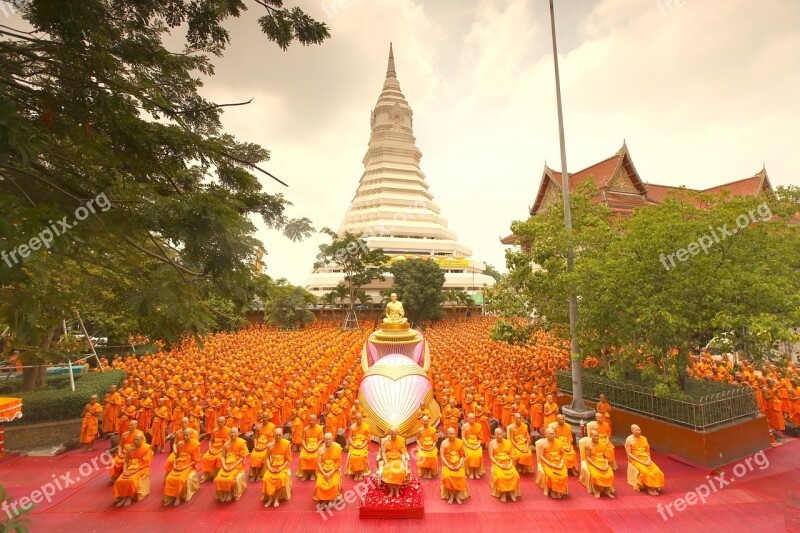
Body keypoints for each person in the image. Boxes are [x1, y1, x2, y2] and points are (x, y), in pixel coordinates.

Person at [113, 432, 153, 507]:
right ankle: (123, 497)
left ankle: (129, 497)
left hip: (141, 468)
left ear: (142, 440)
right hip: (130, 467)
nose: (135, 441)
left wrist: (134, 472)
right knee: (119, 480)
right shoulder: (130, 448)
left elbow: (146, 463)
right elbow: (126, 462)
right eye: (134, 440)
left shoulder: (146, 448)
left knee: (131, 480)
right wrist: (124, 470)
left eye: (137, 440)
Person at [163, 428, 201, 507]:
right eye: (184, 435)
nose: (185, 436)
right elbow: (176, 457)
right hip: (179, 464)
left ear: (191, 435)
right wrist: (174, 465)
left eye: (187, 435)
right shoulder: (180, 443)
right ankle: (170, 497)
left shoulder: (195, 444)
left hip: (189, 465)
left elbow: (196, 460)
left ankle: (177, 497)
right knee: (169, 478)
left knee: (180, 479)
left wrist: (185, 467)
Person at [625, 424, 665, 496]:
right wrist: (640, 461)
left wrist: (649, 459)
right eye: (637, 430)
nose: (639, 431)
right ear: (632, 431)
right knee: (645, 472)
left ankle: (656, 485)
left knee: (657, 471)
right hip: (635, 460)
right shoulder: (629, 440)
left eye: (639, 430)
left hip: (646, 458)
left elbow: (647, 450)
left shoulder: (644, 438)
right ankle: (649, 487)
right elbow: (629, 453)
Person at [215, 426, 249, 502]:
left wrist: (233, 466)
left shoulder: (241, 443)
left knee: (229, 478)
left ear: (238, 433)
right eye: (231, 432)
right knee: (219, 478)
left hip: (236, 465)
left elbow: (242, 457)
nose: (233, 434)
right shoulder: (226, 444)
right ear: (229, 434)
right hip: (226, 465)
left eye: (234, 432)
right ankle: (224, 493)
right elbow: (223, 456)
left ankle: (229, 492)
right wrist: (224, 465)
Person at [262, 428, 292, 508]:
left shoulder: (286, 444)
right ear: (273, 435)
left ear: (282, 435)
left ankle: (276, 499)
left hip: (283, 466)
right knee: (265, 479)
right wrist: (269, 467)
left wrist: (281, 468)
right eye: (276, 435)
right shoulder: (269, 445)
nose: (278, 436)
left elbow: (288, 460)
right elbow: (267, 458)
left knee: (280, 479)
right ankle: (270, 498)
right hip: (272, 466)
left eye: (280, 435)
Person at [488, 427, 520, 503]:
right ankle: (503, 493)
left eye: (501, 434)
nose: (499, 436)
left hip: (507, 462)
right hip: (497, 463)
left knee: (515, 475)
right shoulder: (492, 443)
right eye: (498, 434)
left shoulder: (508, 442)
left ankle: (511, 492)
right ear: (495, 435)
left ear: (503, 434)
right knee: (500, 477)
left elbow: (512, 455)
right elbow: (491, 456)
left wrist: (510, 464)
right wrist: (499, 465)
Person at [535, 427, 568, 499]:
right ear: (546, 435)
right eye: (550, 434)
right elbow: (541, 456)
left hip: (558, 462)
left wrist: (561, 464)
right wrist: (550, 464)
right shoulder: (542, 443)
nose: (552, 435)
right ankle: (553, 490)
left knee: (564, 475)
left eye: (553, 434)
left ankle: (559, 490)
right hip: (547, 463)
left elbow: (562, 454)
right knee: (552, 476)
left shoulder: (558, 442)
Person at [581, 429, 615, 499]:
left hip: (602, 461)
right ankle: (597, 490)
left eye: (597, 436)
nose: (596, 438)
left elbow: (605, 456)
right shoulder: (588, 445)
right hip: (592, 462)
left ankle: (607, 490)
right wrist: (596, 466)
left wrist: (606, 465)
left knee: (610, 474)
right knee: (596, 475)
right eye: (595, 436)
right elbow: (588, 458)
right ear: (591, 436)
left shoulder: (602, 444)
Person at [440, 427, 469, 505]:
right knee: (447, 477)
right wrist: (448, 465)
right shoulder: (444, 443)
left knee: (462, 477)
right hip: (447, 464)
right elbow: (442, 456)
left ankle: (457, 495)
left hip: (458, 464)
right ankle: (452, 495)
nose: (452, 435)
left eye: (453, 433)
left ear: (455, 434)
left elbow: (463, 456)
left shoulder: (460, 442)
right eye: (450, 434)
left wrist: (459, 465)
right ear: (447, 434)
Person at [314, 432, 343, 506]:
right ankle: (324, 500)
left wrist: (330, 473)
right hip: (323, 471)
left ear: (332, 439)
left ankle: (330, 499)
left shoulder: (337, 448)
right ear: (324, 440)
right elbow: (319, 463)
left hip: (333, 470)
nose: (328, 441)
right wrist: (324, 473)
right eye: (326, 440)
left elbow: (338, 463)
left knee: (334, 484)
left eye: (329, 439)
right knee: (319, 485)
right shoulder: (321, 450)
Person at [380, 426, 409, 498]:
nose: (394, 435)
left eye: (395, 433)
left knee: (401, 472)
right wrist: (386, 463)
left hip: (398, 459)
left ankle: (397, 489)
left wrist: (403, 461)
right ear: (389, 433)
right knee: (387, 472)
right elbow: (383, 453)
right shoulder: (385, 440)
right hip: (389, 459)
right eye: (392, 434)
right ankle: (391, 489)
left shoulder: (401, 439)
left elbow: (404, 452)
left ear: (397, 433)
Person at [201, 416, 230, 482]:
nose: (219, 424)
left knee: (219, 458)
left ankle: (216, 474)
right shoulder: (215, 430)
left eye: (221, 422)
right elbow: (211, 441)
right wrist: (210, 449)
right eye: (218, 422)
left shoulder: (228, 430)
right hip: (214, 448)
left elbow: (227, 444)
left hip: (223, 449)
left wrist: (219, 451)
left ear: (224, 422)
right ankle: (206, 474)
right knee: (205, 458)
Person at [249, 415, 276, 482]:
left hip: (267, 444)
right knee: (252, 456)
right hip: (258, 445)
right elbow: (255, 438)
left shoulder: (272, 426)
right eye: (263, 417)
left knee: (261, 456)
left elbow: (272, 440)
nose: (264, 419)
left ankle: (258, 474)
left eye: (266, 417)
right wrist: (255, 446)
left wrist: (264, 447)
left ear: (268, 418)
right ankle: (254, 474)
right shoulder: (258, 426)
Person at [298, 414, 324, 481]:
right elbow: (303, 439)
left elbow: (321, 439)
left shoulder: (319, 428)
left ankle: (312, 473)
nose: (311, 422)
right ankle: (306, 473)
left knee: (315, 457)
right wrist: (305, 448)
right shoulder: (305, 429)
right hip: (307, 446)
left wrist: (316, 447)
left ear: (316, 421)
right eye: (310, 420)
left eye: (313, 420)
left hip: (316, 446)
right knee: (302, 457)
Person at [345, 412, 371, 481]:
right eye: (357, 419)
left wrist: (363, 445)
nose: (358, 420)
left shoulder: (366, 427)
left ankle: (360, 473)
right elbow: (349, 437)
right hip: (354, 445)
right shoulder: (352, 427)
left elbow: (367, 438)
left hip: (363, 445)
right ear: (355, 419)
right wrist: (353, 445)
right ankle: (356, 474)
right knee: (354, 456)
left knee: (362, 456)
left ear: (362, 418)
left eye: (360, 419)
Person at [461, 413, 486, 479]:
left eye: (473, 418)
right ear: (467, 419)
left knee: (478, 455)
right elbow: (463, 437)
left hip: (476, 443)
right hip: (467, 444)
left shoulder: (478, 426)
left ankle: (476, 472)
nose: (472, 420)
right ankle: (471, 472)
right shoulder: (464, 426)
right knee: (470, 456)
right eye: (470, 418)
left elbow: (480, 438)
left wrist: (478, 445)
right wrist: (468, 445)